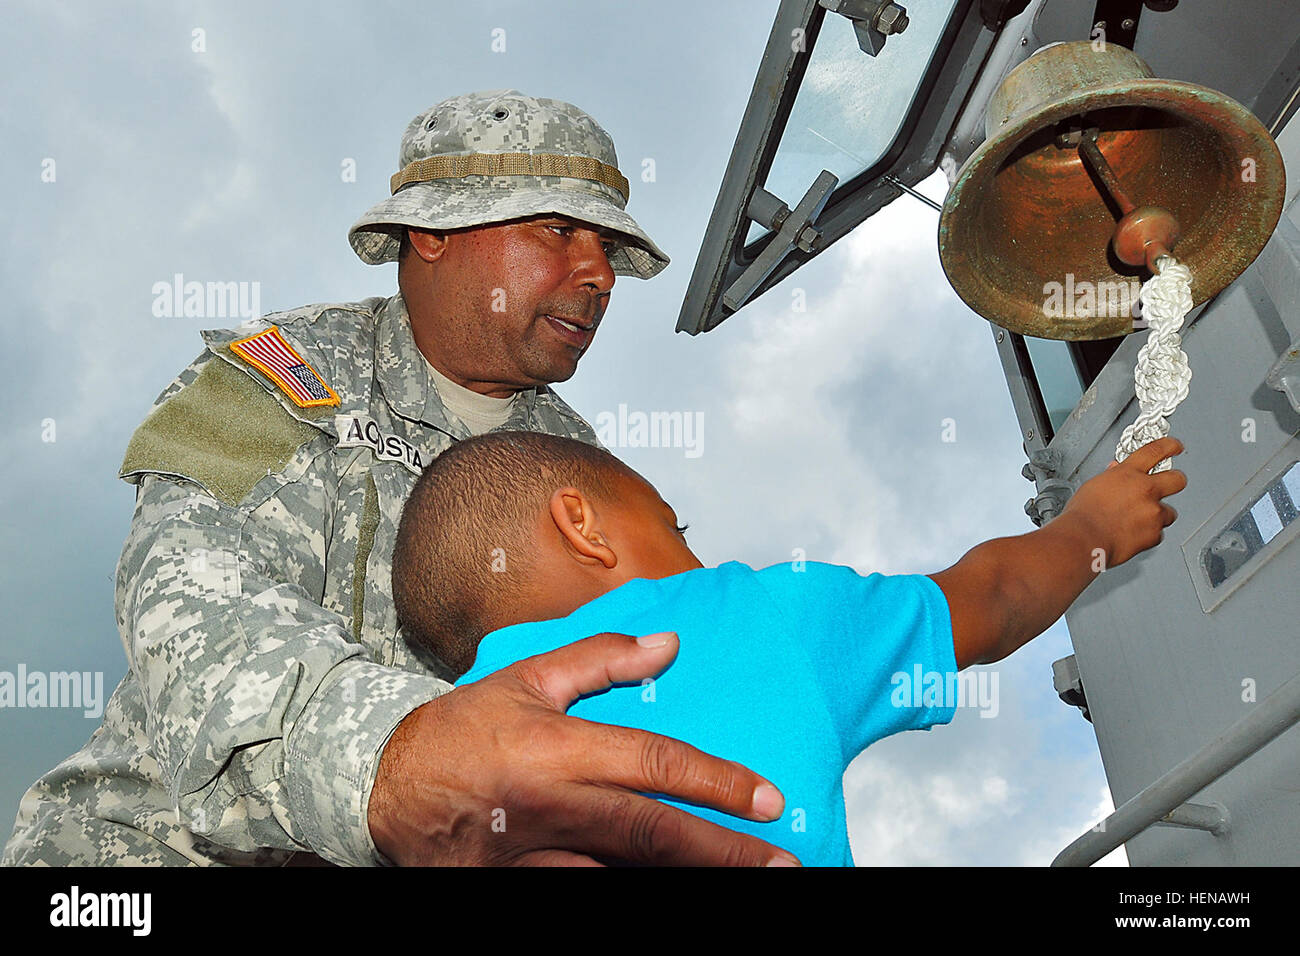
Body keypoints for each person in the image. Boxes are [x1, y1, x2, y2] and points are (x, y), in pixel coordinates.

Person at [2, 90, 796, 867]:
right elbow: (184, 597)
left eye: (606, 250)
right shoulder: (288, 375)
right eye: (560, 229)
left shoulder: (580, 465)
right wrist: (394, 760)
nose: (600, 275)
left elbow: (653, 660)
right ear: (435, 234)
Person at [391, 430, 1188, 865]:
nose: (694, 554)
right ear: (582, 527)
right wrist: (1092, 529)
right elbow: (993, 601)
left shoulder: (441, 755)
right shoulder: (746, 615)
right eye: (673, 525)